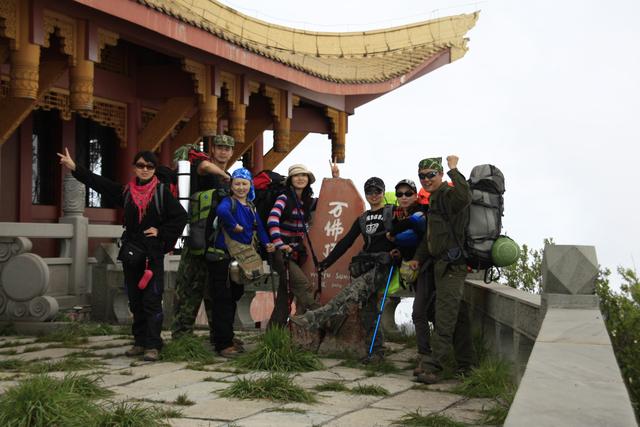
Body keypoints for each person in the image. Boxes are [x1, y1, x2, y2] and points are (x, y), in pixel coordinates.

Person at [57, 148, 187, 361]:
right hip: (131, 253)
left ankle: (153, 345)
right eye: (141, 165)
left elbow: (180, 217)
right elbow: (99, 184)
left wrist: (161, 232)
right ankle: (140, 341)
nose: (144, 170)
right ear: (134, 168)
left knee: (151, 299)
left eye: (149, 166)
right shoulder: (126, 192)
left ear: (154, 169)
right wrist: (75, 169)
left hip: (151, 256)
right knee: (135, 300)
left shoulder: (162, 193)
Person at [292, 177, 397, 360]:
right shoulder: (363, 219)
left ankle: (315, 317)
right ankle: (377, 351)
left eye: (377, 191)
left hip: (384, 265)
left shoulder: (392, 212)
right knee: (368, 310)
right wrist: (327, 262)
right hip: (366, 266)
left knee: (350, 292)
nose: (374, 195)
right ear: (365, 194)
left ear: (383, 192)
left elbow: (406, 230)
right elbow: (345, 243)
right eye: (370, 192)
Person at [408, 155, 474, 383]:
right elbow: (431, 239)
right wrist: (417, 258)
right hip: (441, 266)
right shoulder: (435, 199)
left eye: (430, 175)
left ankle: (433, 367)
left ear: (440, 174)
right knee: (457, 316)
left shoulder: (448, 194)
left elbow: (465, 197)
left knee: (444, 317)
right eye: (422, 176)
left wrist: (454, 168)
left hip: (453, 266)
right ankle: (467, 364)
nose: (426, 179)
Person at [171, 135, 233, 346]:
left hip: (218, 245)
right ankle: (181, 337)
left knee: (216, 292)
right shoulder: (203, 167)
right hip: (196, 240)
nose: (223, 152)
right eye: (220, 148)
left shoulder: (230, 178)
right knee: (188, 289)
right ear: (212, 149)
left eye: (228, 149)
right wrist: (224, 175)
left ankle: (220, 337)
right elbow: (205, 166)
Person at [207, 168, 275, 357]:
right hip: (224, 258)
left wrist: (267, 242)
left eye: (244, 183)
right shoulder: (229, 202)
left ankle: (227, 337)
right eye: (237, 183)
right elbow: (221, 212)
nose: (241, 187)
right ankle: (223, 344)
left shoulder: (251, 207)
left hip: (241, 260)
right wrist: (232, 224)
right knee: (223, 301)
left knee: (233, 298)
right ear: (231, 186)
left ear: (250, 186)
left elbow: (259, 227)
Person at [267, 164, 320, 327]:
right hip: (281, 252)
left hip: (295, 253)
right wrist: (280, 244)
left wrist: (335, 178)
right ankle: (323, 320)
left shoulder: (307, 201)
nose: (300, 178)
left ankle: (274, 332)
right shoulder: (284, 198)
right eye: (296, 176)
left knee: (285, 295)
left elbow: (330, 201)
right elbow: (272, 219)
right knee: (303, 286)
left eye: (304, 175)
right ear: (290, 180)